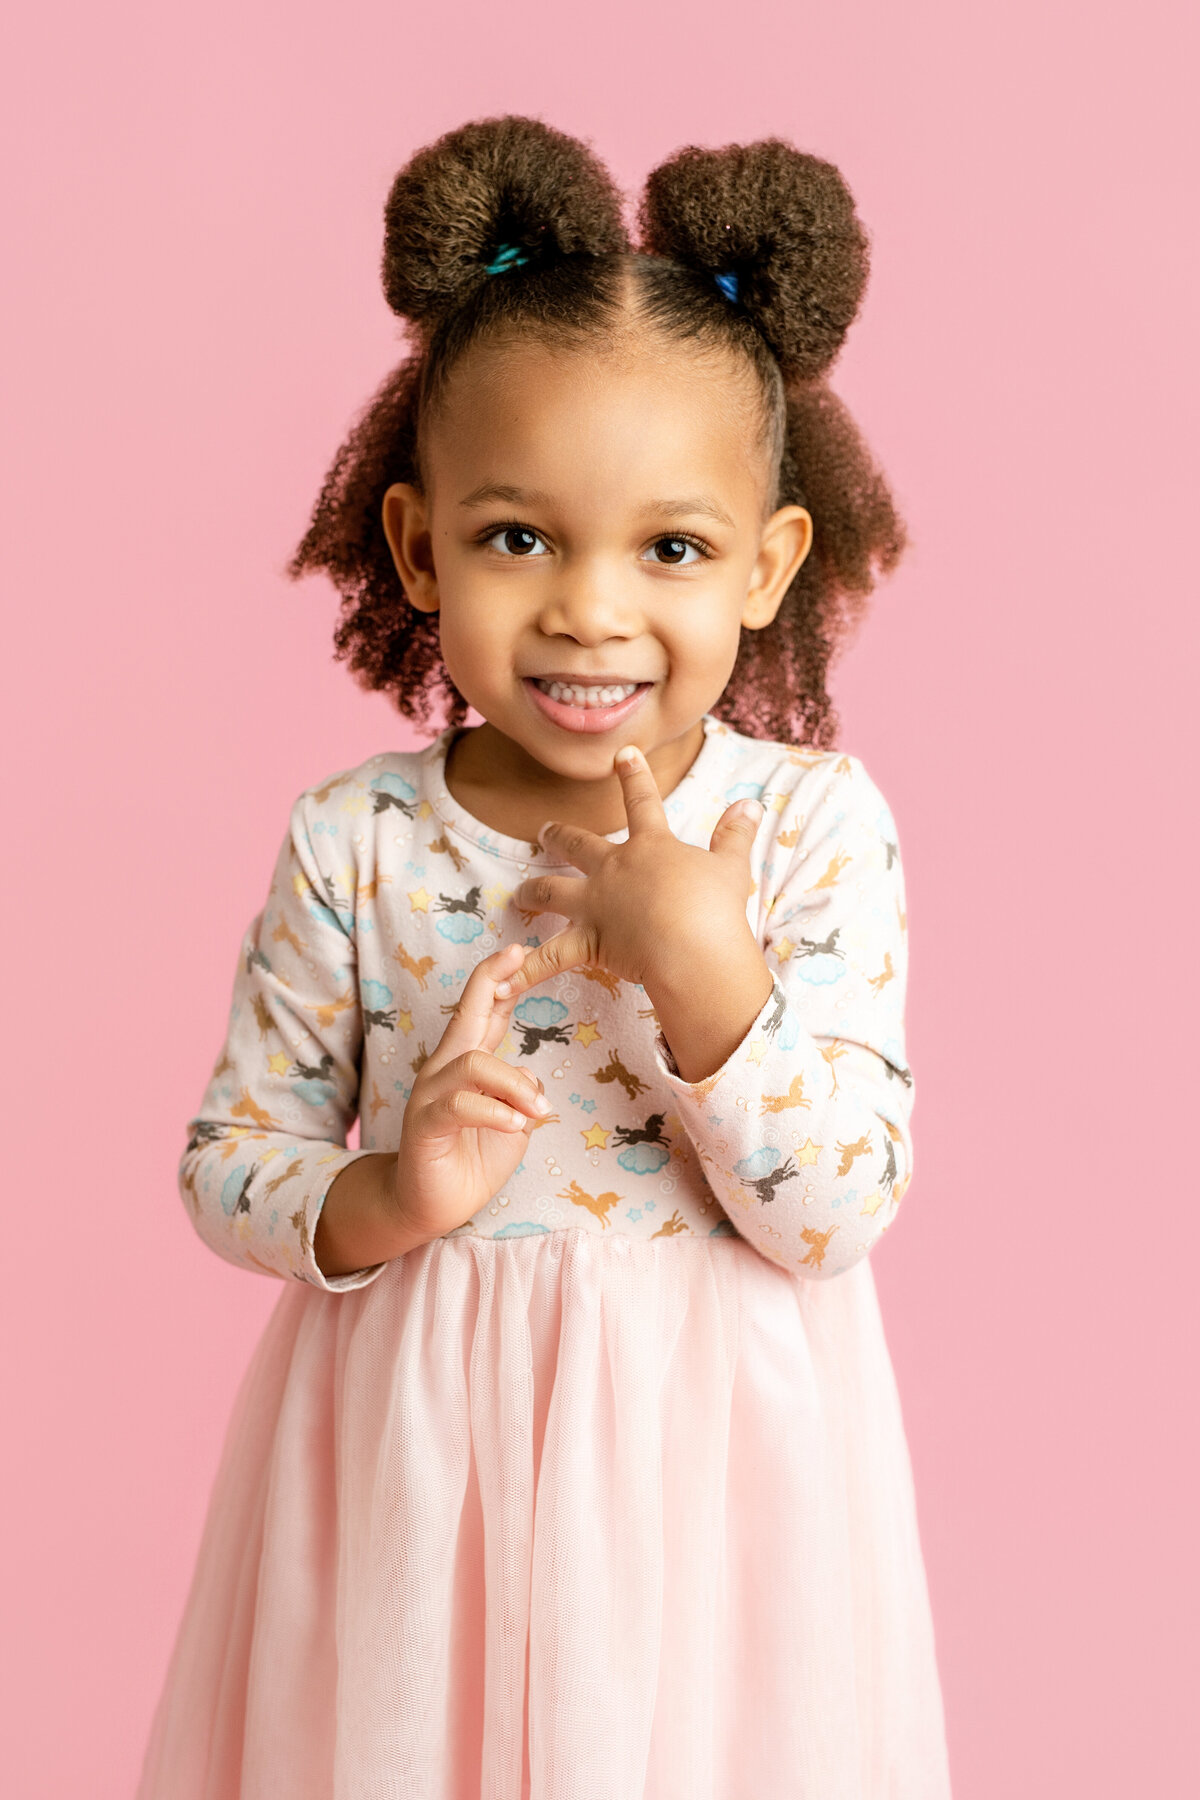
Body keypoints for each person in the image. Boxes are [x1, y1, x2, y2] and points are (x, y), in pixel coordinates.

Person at [138, 115, 953, 1798]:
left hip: (720, 1483)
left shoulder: (808, 829)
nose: (589, 609)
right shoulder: (357, 839)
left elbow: (839, 1207)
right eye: (520, 538)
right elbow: (232, 1162)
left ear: (765, 566)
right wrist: (392, 1197)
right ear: (422, 547)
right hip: (417, 1469)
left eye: (668, 548)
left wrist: (705, 973)